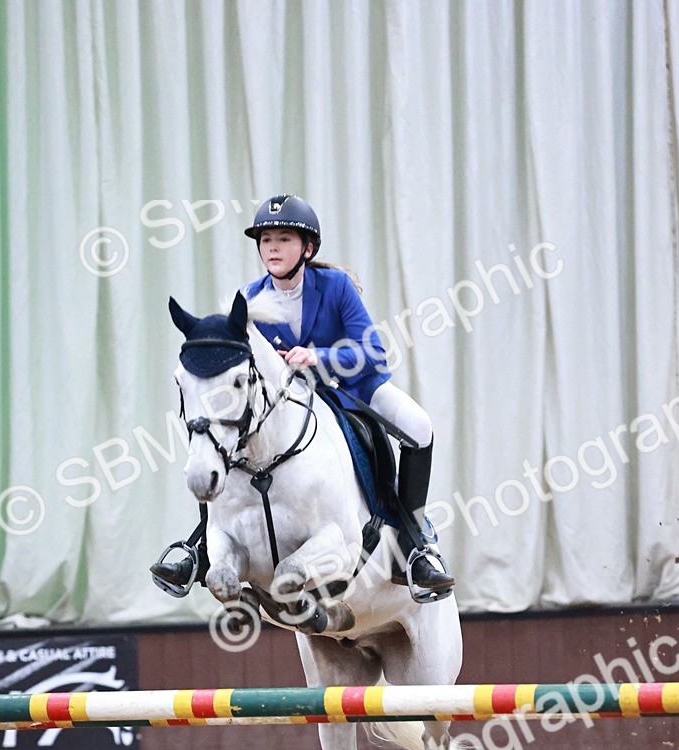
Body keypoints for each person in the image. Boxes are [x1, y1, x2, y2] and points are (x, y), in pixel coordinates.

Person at [151, 193, 454, 597]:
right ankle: (199, 547)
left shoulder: (336, 287)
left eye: (283, 239)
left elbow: (372, 351)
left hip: (352, 390)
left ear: (307, 248)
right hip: (290, 402)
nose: (273, 248)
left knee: (419, 425)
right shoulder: (249, 299)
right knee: (220, 439)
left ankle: (414, 544)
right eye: (266, 240)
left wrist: (318, 357)